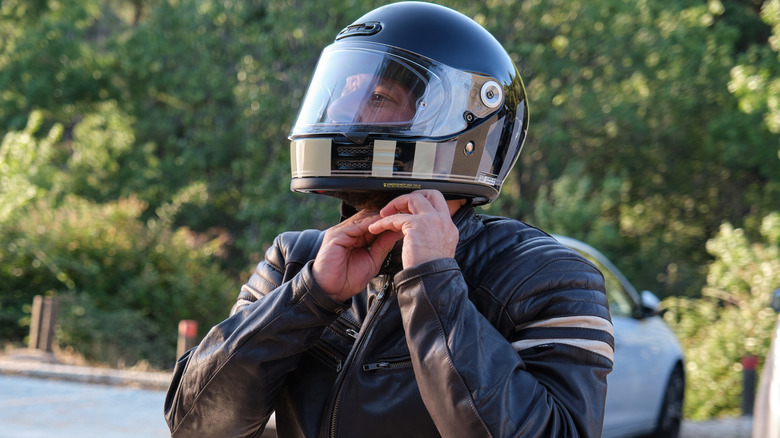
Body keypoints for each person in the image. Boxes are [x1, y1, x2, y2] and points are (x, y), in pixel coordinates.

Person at [164, 2, 614, 437]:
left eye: (377, 97)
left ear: (466, 123)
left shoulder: (549, 278)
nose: (344, 115)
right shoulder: (295, 260)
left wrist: (433, 284)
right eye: (344, 94)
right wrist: (310, 297)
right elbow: (195, 426)